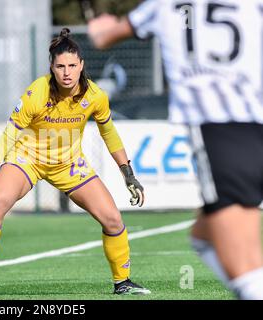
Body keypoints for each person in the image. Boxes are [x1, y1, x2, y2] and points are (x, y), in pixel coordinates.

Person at [87, 0, 263, 300]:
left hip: (220, 131)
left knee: (246, 268)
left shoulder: (163, 5)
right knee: (203, 238)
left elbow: (105, 36)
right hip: (254, 128)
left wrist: (100, 25)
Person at [0, 28, 151, 296]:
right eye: (60, 66)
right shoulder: (37, 92)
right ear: (52, 67)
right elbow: (8, 136)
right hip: (28, 159)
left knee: (113, 219)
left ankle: (123, 282)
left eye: (72, 65)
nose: (67, 72)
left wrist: (127, 174)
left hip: (69, 164)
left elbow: (109, 133)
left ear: (82, 65)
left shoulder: (95, 96)